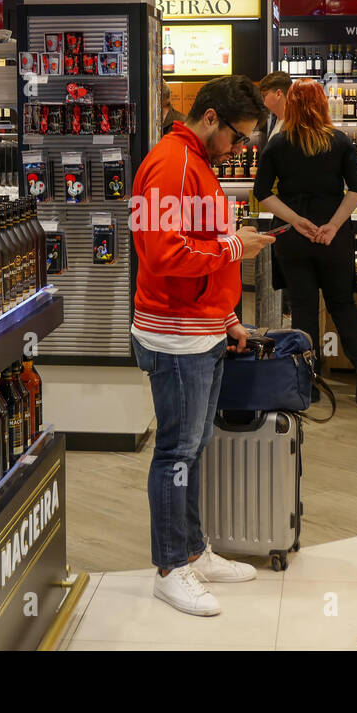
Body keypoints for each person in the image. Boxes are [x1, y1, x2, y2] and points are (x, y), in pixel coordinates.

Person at [131, 75, 276, 617]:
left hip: (199, 329)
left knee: (191, 449)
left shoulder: (194, 162)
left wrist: (227, 317)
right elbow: (166, 256)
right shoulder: (173, 165)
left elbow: (202, 246)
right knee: (175, 451)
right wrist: (238, 247)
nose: (240, 149)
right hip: (176, 335)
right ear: (210, 118)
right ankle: (170, 568)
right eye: (238, 138)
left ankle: (192, 551)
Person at [254, 78, 357, 408]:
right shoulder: (340, 141)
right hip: (333, 237)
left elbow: (262, 192)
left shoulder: (278, 144)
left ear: (290, 104)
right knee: (342, 304)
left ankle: (308, 380)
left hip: (294, 237)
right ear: (323, 105)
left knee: (303, 307)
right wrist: (333, 226)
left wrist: (295, 220)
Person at [254, 71, 290, 150]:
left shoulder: (293, 125)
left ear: (278, 94)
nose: (263, 101)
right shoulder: (275, 120)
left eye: (265, 95)